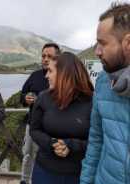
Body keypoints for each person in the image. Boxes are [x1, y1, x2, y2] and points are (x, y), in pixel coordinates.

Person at [80, 2, 130, 184]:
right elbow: (96, 140)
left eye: (102, 43)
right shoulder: (102, 81)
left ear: (128, 43)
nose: (97, 51)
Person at [30, 52, 94, 184]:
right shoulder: (43, 98)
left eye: (50, 71)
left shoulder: (92, 101)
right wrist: (52, 143)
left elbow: (98, 140)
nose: (46, 75)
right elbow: (34, 130)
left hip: (79, 174)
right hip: (44, 172)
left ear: (65, 73)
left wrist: (71, 145)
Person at [20, 43, 60, 184]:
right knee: (27, 155)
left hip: (51, 129)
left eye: (49, 56)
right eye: (43, 56)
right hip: (32, 125)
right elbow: (22, 95)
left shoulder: (61, 78)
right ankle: (24, 181)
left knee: (45, 158)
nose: (45, 59)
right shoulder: (34, 75)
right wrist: (25, 98)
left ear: (57, 58)